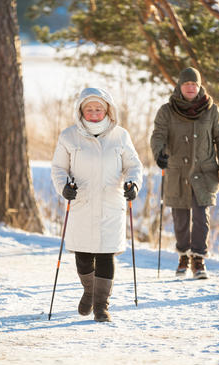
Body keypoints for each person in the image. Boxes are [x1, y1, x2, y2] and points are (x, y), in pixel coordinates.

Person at [51, 87, 143, 322]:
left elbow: (133, 166)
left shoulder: (120, 136)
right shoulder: (68, 136)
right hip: (81, 203)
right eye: (89, 108)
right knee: (82, 254)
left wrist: (133, 184)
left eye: (98, 108)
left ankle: (101, 306)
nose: (94, 112)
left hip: (111, 203)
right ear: (81, 111)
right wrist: (64, 187)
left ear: (107, 110)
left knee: (106, 254)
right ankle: (90, 291)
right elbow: (59, 168)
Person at [150, 67, 219, 279]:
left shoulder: (212, 110)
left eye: (194, 84)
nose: (190, 88)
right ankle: (183, 256)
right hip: (177, 172)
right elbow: (158, 135)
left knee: (200, 215)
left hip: (204, 172)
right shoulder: (167, 111)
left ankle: (198, 259)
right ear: (179, 86)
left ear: (199, 86)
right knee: (180, 218)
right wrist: (159, 153)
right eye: (186, 84)